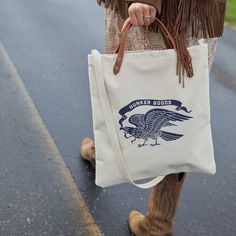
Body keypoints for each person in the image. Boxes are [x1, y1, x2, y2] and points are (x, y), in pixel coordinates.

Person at [81, 0, 227, 235]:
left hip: (167, 10)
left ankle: (157, 223)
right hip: (195, 14)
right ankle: (158, 221)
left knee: (130, 87)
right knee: (170, 92)